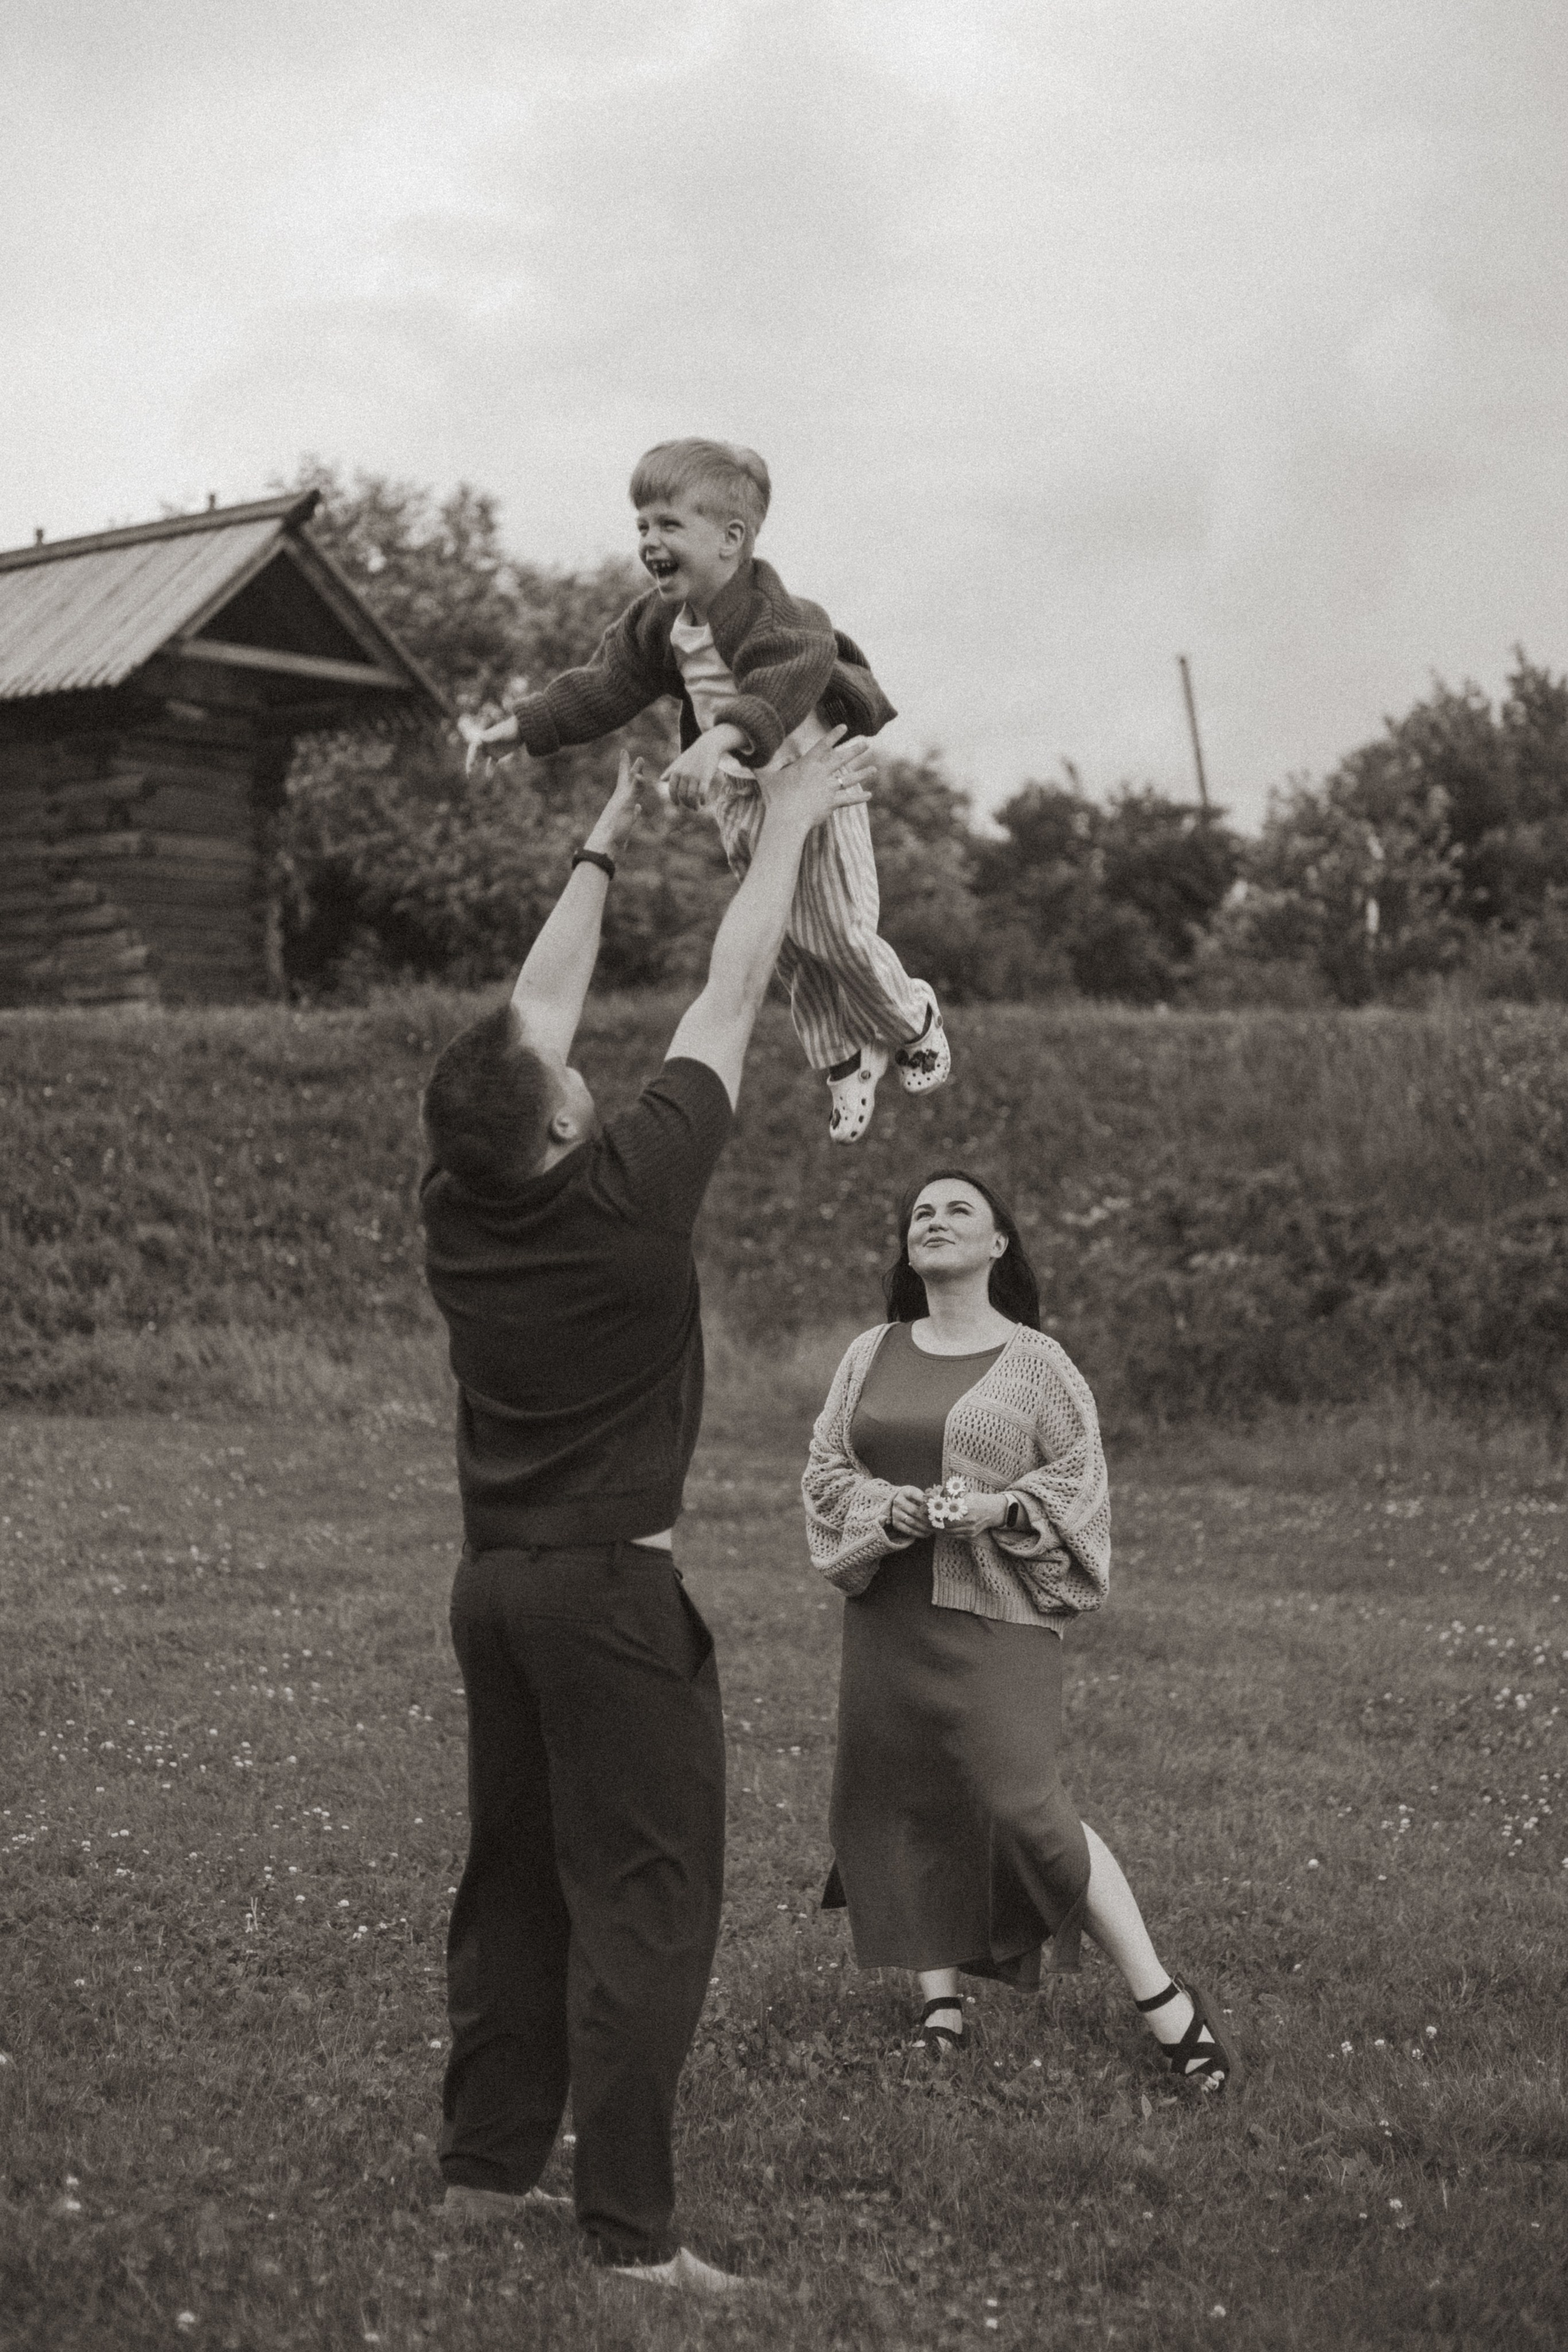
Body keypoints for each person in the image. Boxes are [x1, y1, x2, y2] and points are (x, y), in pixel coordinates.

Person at [418, 728, 878, 2294]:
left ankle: (488, 2170)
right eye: (564, 1081)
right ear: (558, 1127)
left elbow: (529, 1016)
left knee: (512, 1872)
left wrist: (604, 839)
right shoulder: (629, 1191)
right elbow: (729, 991)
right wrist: (787, 823)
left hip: (492, 1589)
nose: (573, 1064)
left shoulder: (459, 1198)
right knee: (644, 1897)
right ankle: (629, 2235)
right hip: (610, 1602)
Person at [802, 1169, 1243, 2092]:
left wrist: (1001, 1508)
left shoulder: (1039, 1364)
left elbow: (1082, 1485)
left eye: (958, 1209)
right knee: (902, 1797)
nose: (934, 1220)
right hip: (888, 1618)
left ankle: (1165, 2000)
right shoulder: (870, 1352)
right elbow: (826, 1474)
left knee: (1023, 1809)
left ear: (999, 1243)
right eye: (921, 1212)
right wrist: (890, 1510)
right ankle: (940, 2006)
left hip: (996, 1623)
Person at [462, 437, 949, 1144]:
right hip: (745, 794)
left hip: (817, 782)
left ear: (731, 539)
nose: (649, 541)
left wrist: (717, 738)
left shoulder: (779, 612)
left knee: (838, 931)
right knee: (780, 936)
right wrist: (524, 726)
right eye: (642, 525)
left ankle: (911, 1020)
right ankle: (843, 1057)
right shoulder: (661, 622)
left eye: (668, 524)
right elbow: (607, 683)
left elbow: (782, 677)